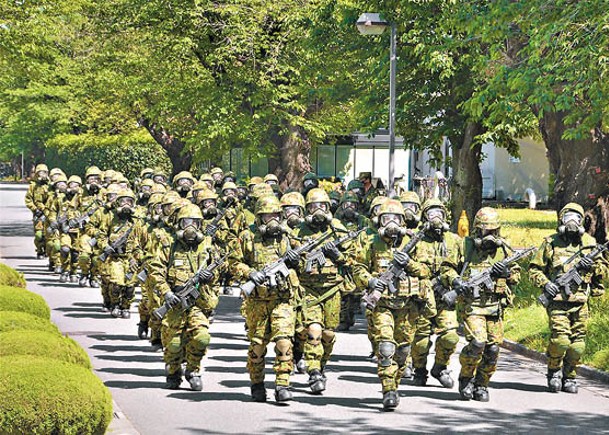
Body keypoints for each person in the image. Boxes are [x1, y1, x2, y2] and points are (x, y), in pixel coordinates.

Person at [353, 199, 430, 410]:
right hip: (383, 305)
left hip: (408, 306)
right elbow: (358, 267)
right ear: (379, 221)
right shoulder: (371, 242)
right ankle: (387, 389)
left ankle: (395, 385)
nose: (392, 223)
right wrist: (370, 281)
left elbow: (426, 271)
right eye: (387, 218)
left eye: (396, 219)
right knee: (386, 347)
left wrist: (409, 263)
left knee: (403, 350)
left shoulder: (414, 243)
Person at [529, 203, 608, 394]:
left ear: (582, 221)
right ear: (561, 220)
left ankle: (570, 376)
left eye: (576, 218)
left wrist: (592, 267)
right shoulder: (551, 242)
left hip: (581, 302)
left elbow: (604, 271)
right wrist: (546, 283)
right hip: (556, 301)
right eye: (567, 218)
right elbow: (534, 269)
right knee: (561, 340)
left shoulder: (589, 243)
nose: (572, 222)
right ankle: (554, 371)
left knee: (578, 344)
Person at [444, 207, 521, 402]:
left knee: (493, 348)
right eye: (485, 231)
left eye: (493, 231)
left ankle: (482, 384)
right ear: (478, 230)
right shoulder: (465, 246)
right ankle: (466, 378)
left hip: (495, 306)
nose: (489, 236)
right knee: (478, 342)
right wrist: (456, 281)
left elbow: (516, 275)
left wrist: (506, 273)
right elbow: (447, 268)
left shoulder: (504, 249)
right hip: (472, 306)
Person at [229, 194, 299, 402]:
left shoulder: (287, 237)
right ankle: (257, 383)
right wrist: (250, 273)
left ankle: (283, 384)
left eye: (277, 215)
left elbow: (304, 262)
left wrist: (296, 259)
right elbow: (233, 263)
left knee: (284, 342)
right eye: (269, 216)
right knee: (258, 346)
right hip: (257, 302)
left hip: (282, 300)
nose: (274, 220)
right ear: (260, 218)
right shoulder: (247, 237)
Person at [149, 204, 221, 391]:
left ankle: (193, 369)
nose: (191, 227)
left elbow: (220, 270)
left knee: (202, 338)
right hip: (175, 303)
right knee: (173, 344)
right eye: (186, 222)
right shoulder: (169, 245)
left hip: (198, 303)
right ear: (179, 224)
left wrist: (211, 276)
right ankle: (173, 371)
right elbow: (156, 271)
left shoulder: (207, 246)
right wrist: (167, 293)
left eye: (195, 223)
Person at [291, 188, 355, 394]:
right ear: (306, 209)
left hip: (332, 290)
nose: (318, 210)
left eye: (322, 206)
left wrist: (338, 256)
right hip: (308, 289)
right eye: (312, 207)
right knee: (314, 331)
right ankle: (313, 371)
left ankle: (321, 364)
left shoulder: (338, 229)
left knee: (328, 334)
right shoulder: (298, 231)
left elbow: (354, 259)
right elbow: (286, 256)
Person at [409, 199, 463, 388]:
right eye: (431, 214)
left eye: (439, 213)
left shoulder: (454, 240)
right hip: (421, 299)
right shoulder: (414, 240)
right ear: (424, 217)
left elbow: (466, 266)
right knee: (420, 340)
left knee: (450, 336)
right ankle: (419, 370)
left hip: (445, 298)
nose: (436, 218)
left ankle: (440, 367)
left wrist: (458, 284)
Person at [25, 164, 50, 259]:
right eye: (40, 172)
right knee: (39, 235)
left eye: (44, 172)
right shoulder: (33, 186)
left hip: (49, 214)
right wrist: (35, 209)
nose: (42, 175)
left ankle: (49, 252)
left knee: (49, 233)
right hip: (38, 214)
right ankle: (40, 250)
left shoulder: (51, 185)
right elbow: (28, 199)